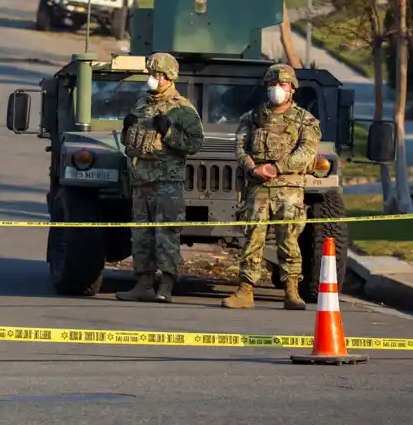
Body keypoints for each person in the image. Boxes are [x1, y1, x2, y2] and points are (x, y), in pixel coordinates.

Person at [222, 63, 321, 310]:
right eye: (273, 85)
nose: (277, 89)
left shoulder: (305, 121)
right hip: (258, 188)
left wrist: (276, 167)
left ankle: (291, 291)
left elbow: (307, 153)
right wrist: (252, 168)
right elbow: (240, 147)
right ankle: (245, 290)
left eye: (283, 85)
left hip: (288, 189)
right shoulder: (252, 117)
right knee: (252, 239)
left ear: (292, 89)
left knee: (288, 240)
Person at [116, 52, 204, 304]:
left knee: (166, 234)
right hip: (140, 181)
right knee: (142, 234)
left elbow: (195, 143)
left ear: (168, 77)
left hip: (166, 182)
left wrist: (170, 132)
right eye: (151, 74)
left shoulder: (182, 108)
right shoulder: (142, 104)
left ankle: (166, 284)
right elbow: (131, 142)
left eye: (157, 75)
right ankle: (143, 283)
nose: (152, 79)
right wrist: (127, 127)